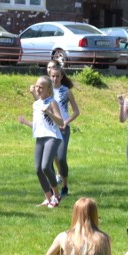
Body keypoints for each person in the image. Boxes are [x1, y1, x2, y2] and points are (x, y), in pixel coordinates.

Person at [18, 76, 66, 208]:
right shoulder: (36, 104)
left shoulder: (52, 103)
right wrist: (25, 122)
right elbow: (38, 124)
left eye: (41, 87)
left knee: (46, 166)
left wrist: (50, 113)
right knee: (38, 169)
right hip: (40, 137)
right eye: (37, 86)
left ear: (48, 89)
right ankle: (48, 198)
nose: (38, 89)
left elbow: (61, 122)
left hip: (52, 137)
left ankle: (57, 196)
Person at [48, 67, 80, 198]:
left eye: (57, 76)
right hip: (50, 128)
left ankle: (65, 185)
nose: (55, 79)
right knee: (49, 159)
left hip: (63, 129)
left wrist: (66, 122)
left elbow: (76, 111)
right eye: (52, 76)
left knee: (61, 158)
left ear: (61, 77)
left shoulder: (66, 91)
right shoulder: (46, 91)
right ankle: (51, 188)